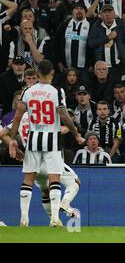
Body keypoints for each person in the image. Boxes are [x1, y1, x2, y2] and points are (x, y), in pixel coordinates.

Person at [8, 59, 84, 227]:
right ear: (52, 73)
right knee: (54, 179)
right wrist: (76, 134)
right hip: (52, 138)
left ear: (37, 74)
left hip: (33, 138)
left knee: (28, 179)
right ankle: (55, 219)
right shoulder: (57, 91)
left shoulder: (27, 91)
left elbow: (18, 117)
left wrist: (13, 139)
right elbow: (64, 115)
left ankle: (24, 219)